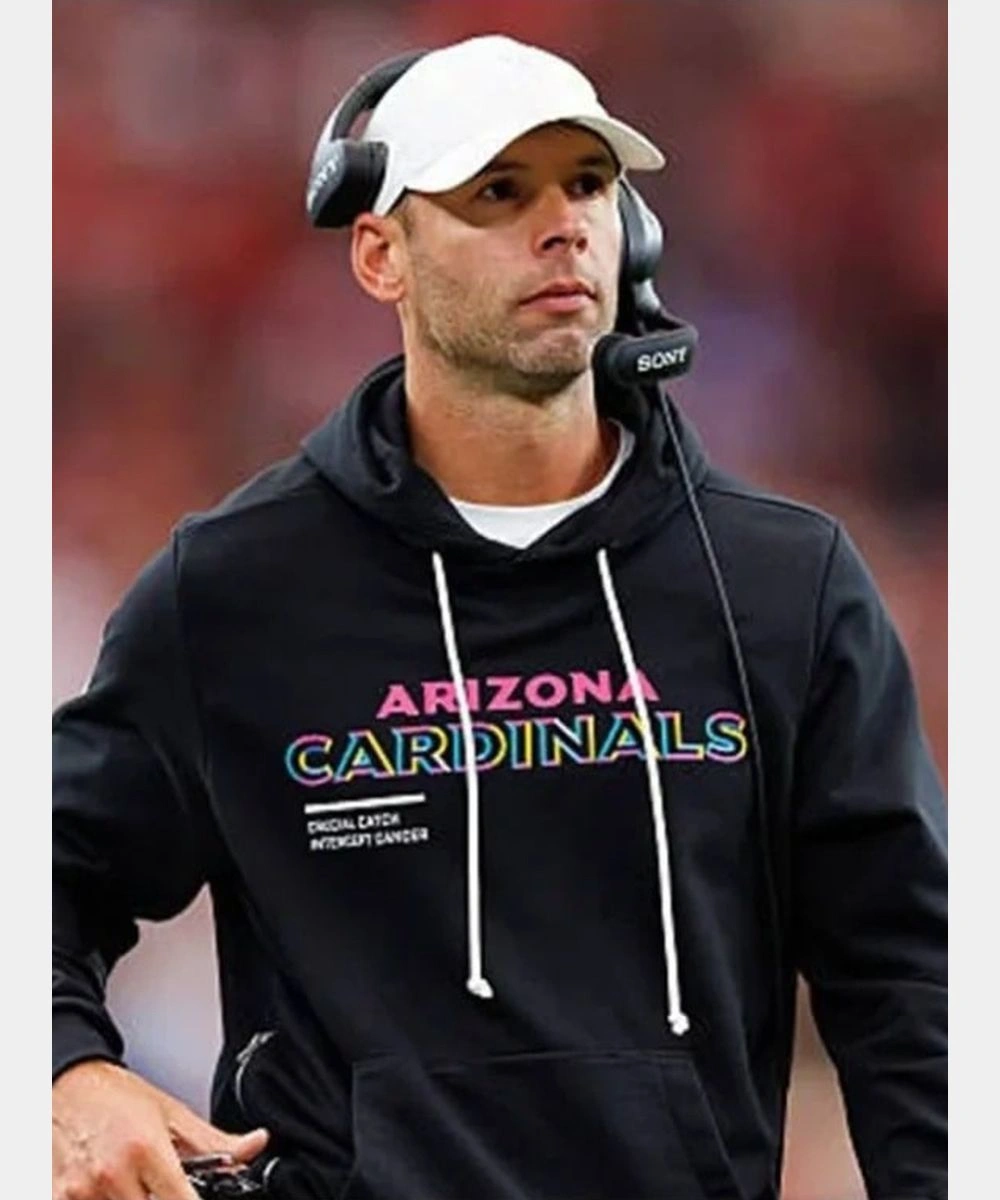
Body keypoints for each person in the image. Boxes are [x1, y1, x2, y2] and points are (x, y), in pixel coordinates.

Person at [52, 34, 947, 1200]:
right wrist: (67, 1070)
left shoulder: (786, 585)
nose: (562, 224)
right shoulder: (233, 590)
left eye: (588, 184)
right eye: (498, 193)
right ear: (380, 254)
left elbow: (912, 987)